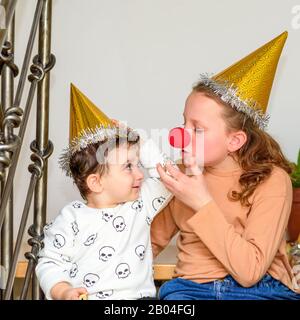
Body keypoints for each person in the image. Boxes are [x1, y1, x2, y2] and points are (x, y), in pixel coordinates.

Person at [151, 31, 300, 300]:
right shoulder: (181, 175)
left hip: (261, 291)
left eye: (197, 129)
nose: (181, 134)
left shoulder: (272, 180)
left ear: (235, 140)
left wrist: (201, 202)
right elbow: (146, 245)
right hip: (190, 290)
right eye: (183, 122)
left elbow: (250, 271)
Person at [35, 84, 173, 300]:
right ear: (96, 183)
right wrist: (62, 291)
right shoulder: (71, 218)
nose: (140, 174)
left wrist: (140, 142)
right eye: (128, 166)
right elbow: (49, 262)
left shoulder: (139, 206)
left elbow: (168, 177)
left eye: (138, 165)